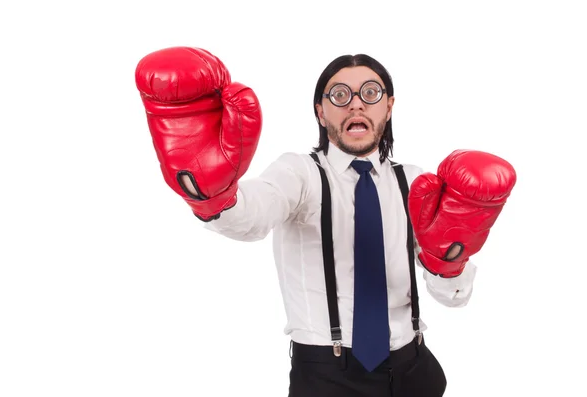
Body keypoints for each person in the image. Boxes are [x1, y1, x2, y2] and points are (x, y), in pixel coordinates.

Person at [135, 46, 517, 397]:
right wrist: (211, 194)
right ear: (321, 110)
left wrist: (449, 262)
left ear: (389, 106)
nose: (356, 105)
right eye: (339, 96)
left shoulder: (417, 183)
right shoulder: (298, 173)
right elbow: (249, 216)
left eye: (371, 93)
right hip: (328, 378)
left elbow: (454, 299)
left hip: (414, 371)